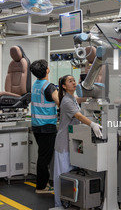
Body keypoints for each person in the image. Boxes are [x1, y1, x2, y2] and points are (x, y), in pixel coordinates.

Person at [54, 75, 103, 207]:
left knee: (71, 177)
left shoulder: (73, 99)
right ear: (64, 86)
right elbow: (78, 116)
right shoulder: (67, 101)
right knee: (62, 176)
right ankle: (60, 204)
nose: (74, 83)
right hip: (64, 144)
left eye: (74, 80)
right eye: (70, 81)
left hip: (72, 142)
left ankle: (69, 202)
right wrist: (92, 124)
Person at [30, 59, 59, 194]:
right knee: (44, 157)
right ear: (47, 70)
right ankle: (41, 187)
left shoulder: (36, 84)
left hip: (37, 125)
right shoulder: (49, 86)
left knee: (42, 155)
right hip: (47, 127)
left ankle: (43, 184)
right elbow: (61, 103)